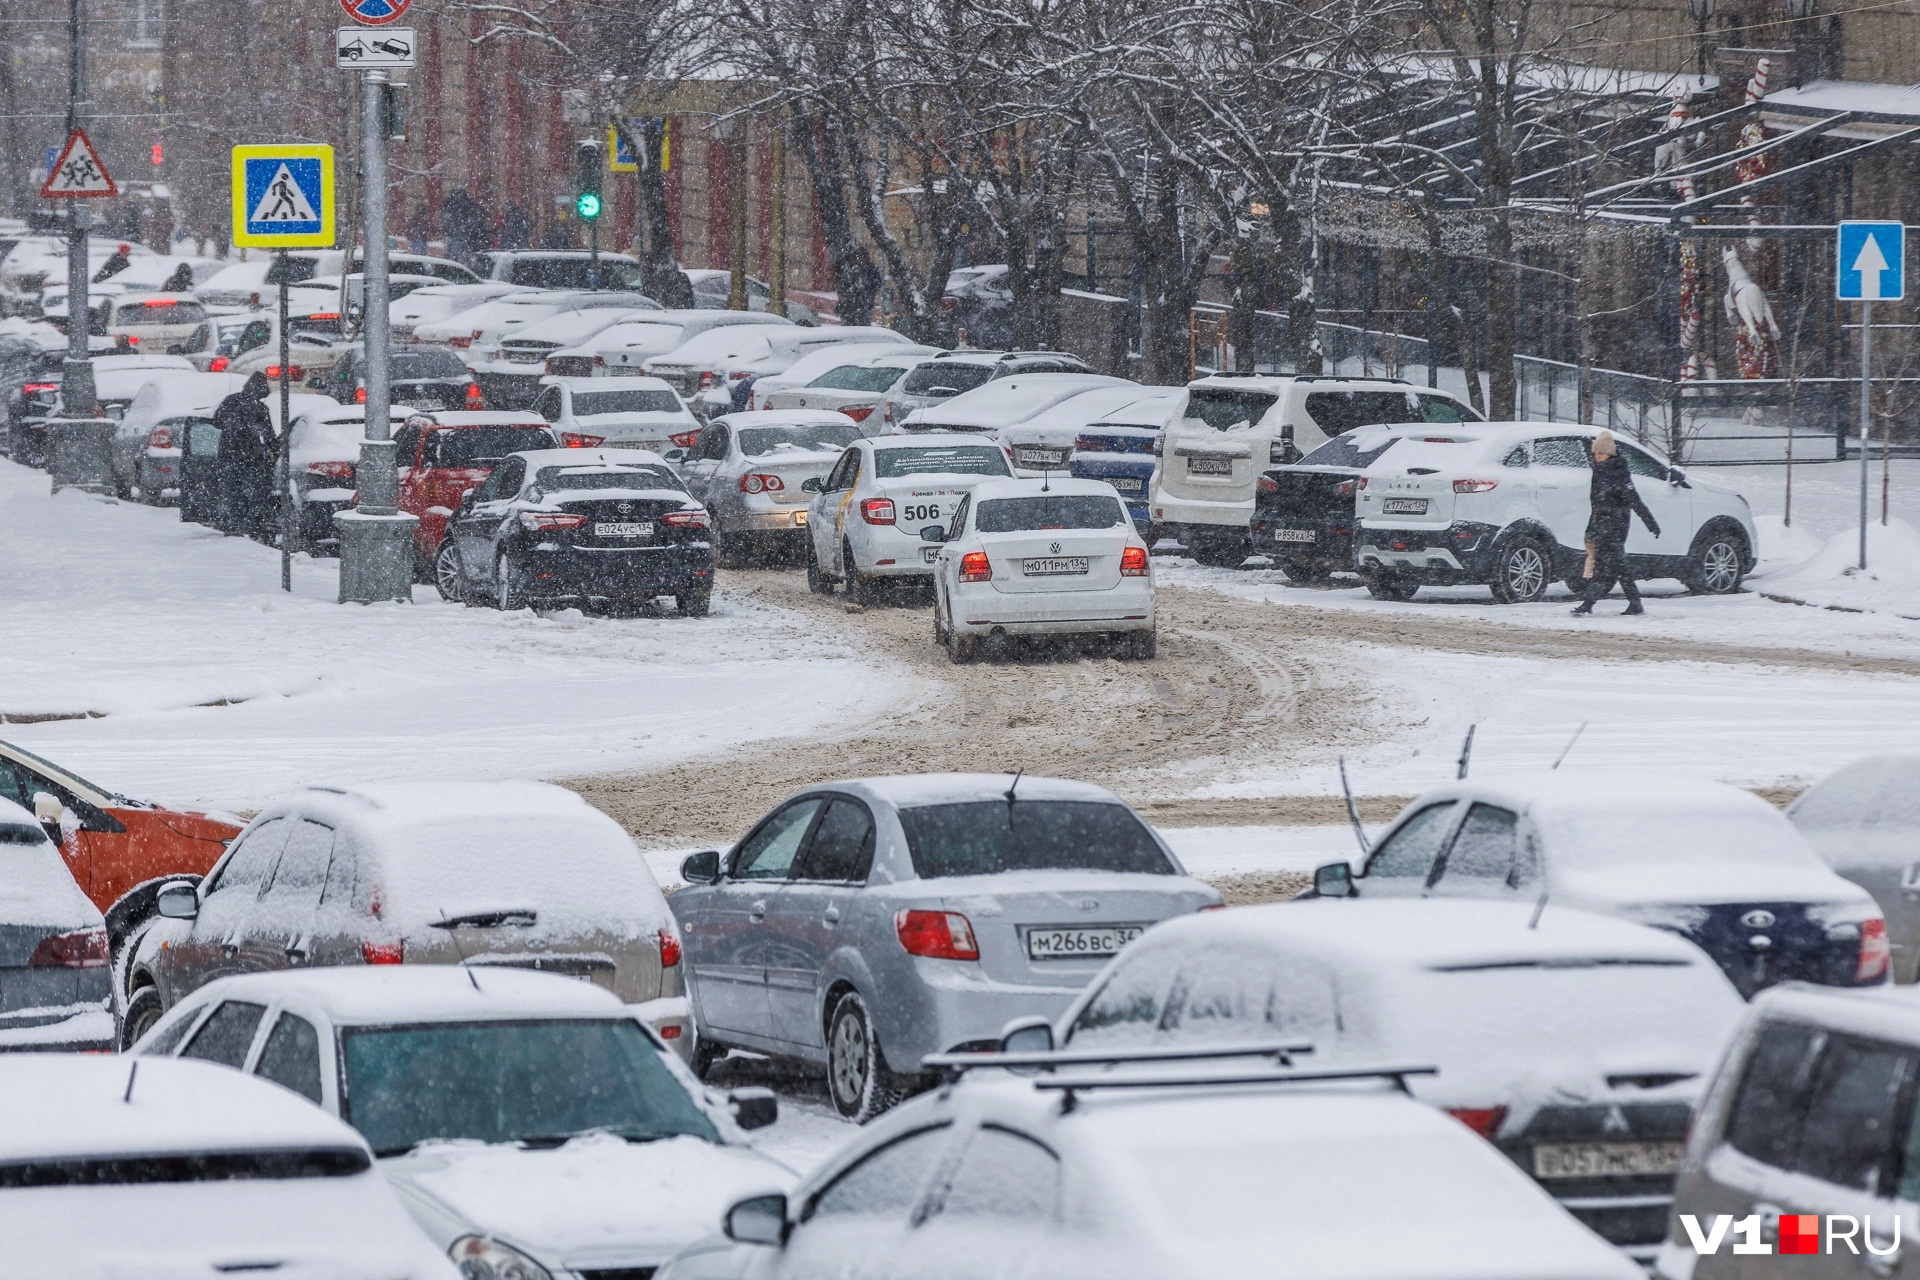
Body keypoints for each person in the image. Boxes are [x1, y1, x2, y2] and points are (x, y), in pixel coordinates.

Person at [1573, 429, 1659, 617]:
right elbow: (1596, 503)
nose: (1597, 456)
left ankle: (1589, 604)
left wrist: (1650, 522)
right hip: (1601, 523)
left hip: (1616, 525)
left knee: (1608, 565)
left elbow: (1634, 499)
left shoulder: (1618, 472)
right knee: (1617, 565)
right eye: (1595, 453)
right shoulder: (1599, 470)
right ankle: (1634, 603)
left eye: (1600, 453)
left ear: (1610, 453)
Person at [212, 373, 278, 540]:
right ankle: (251, 525)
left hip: (229, 453)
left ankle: (234, 525)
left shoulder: (230, 401)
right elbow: (268, 435)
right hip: (252, 456)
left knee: (232, 491)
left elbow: (216, 422)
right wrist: (275, 451)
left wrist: (232, 428)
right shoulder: (261, 408)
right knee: (251, 493)